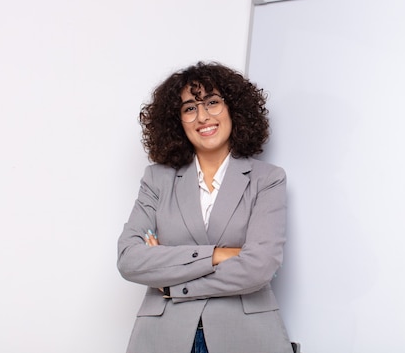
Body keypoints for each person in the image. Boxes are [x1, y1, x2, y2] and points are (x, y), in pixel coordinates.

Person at [117, 61, 294, 353]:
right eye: (189, 108)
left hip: (245, 335)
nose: (203, 116)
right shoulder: (157, 179)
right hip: (163, 335)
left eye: (212, 102)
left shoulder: (268, 179)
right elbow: (129, 258)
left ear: (233, 109)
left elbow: (260, 266)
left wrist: (173, 282)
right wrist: (219, 255)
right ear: (177, 121)